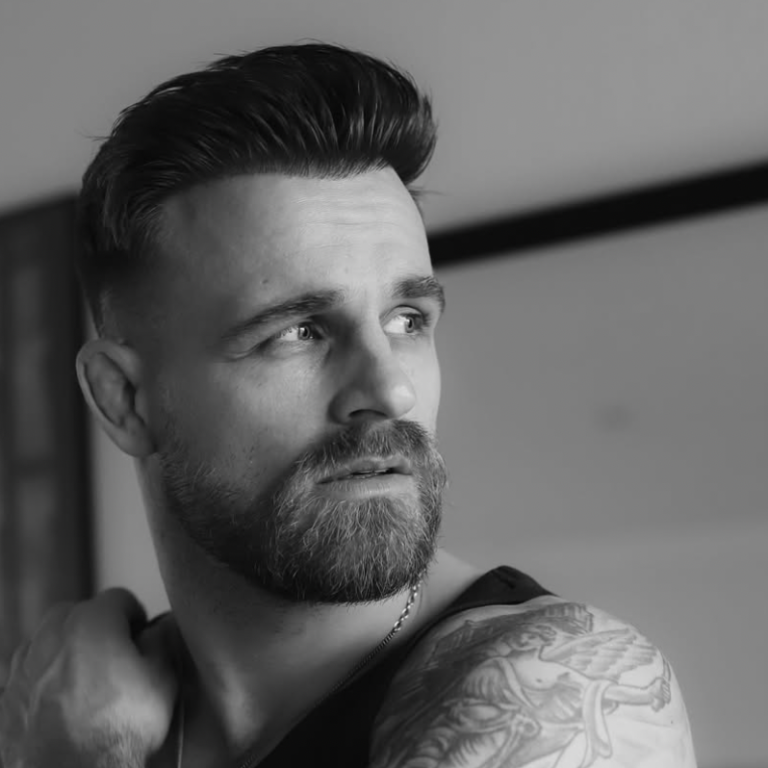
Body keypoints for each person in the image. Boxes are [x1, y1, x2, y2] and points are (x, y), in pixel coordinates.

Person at [0, 42, 696, 768]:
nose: (391, 390)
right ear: (125, 399)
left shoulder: (555, 692)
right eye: (298, 333)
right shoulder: (89, 708)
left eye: (407, 320)